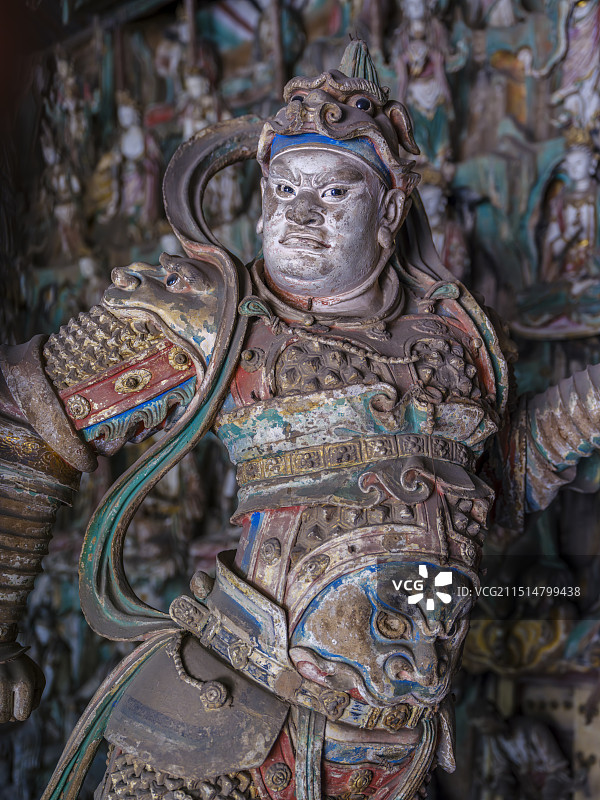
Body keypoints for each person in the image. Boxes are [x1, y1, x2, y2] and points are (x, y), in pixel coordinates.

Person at [2, 41, 600, 800]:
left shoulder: (451, 343)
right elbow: (23, 412)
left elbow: (490, 492)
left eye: (334, 194)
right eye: (284, 190)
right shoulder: (217, 319)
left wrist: (587, 406)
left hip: (393, 754)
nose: (301, 216)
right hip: (228, 733)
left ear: (389, 206)